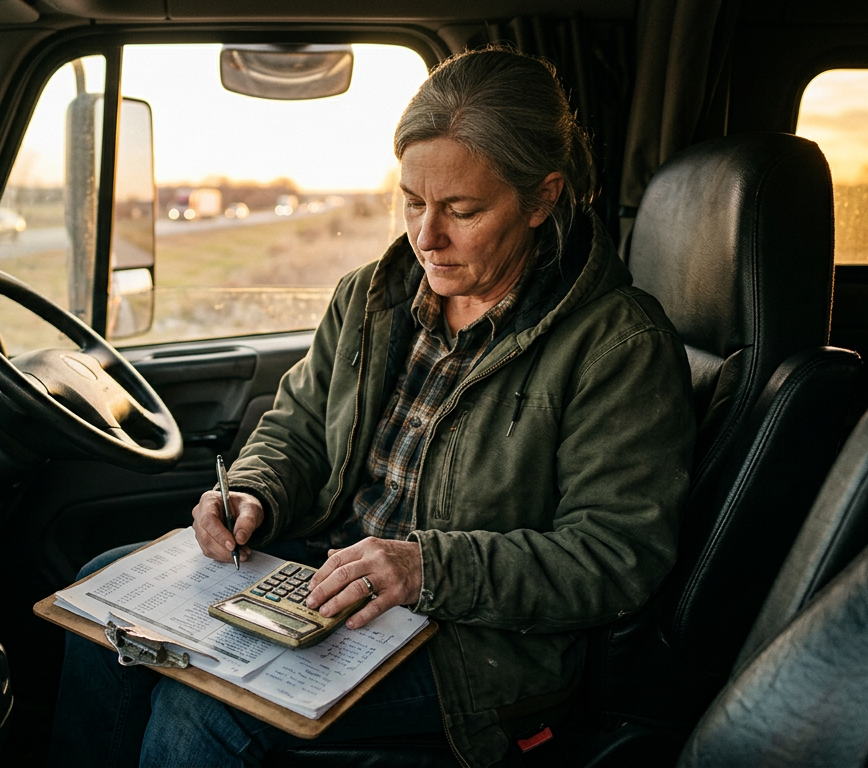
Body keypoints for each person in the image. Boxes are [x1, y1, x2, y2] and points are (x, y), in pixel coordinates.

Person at [51, 46, 695, 767]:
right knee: (101, 601)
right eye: (414, 203)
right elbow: (295, 428)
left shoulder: (620, 346)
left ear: (543, 197)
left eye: (463, 211)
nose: (426, 237)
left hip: (471, 641)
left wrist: (427, 569)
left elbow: (615, 557)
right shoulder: (371, 296)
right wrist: (258, 491)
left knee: (201, 704)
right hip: (328, 571)